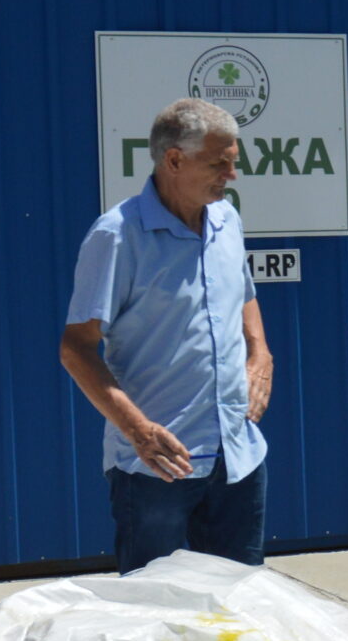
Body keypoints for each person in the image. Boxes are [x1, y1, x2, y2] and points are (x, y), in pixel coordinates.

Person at [60, 98, 274, 572]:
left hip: (236, 456)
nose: (231, 175)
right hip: (158, 465)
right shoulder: (118, 235)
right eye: (219, 162)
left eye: (233, 162)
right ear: (174, 160)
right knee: (155, 615)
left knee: (238, 608)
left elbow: (243, 294)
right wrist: (138, 432)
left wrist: (260, 352)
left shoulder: (227, 221)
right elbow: (76, 348)